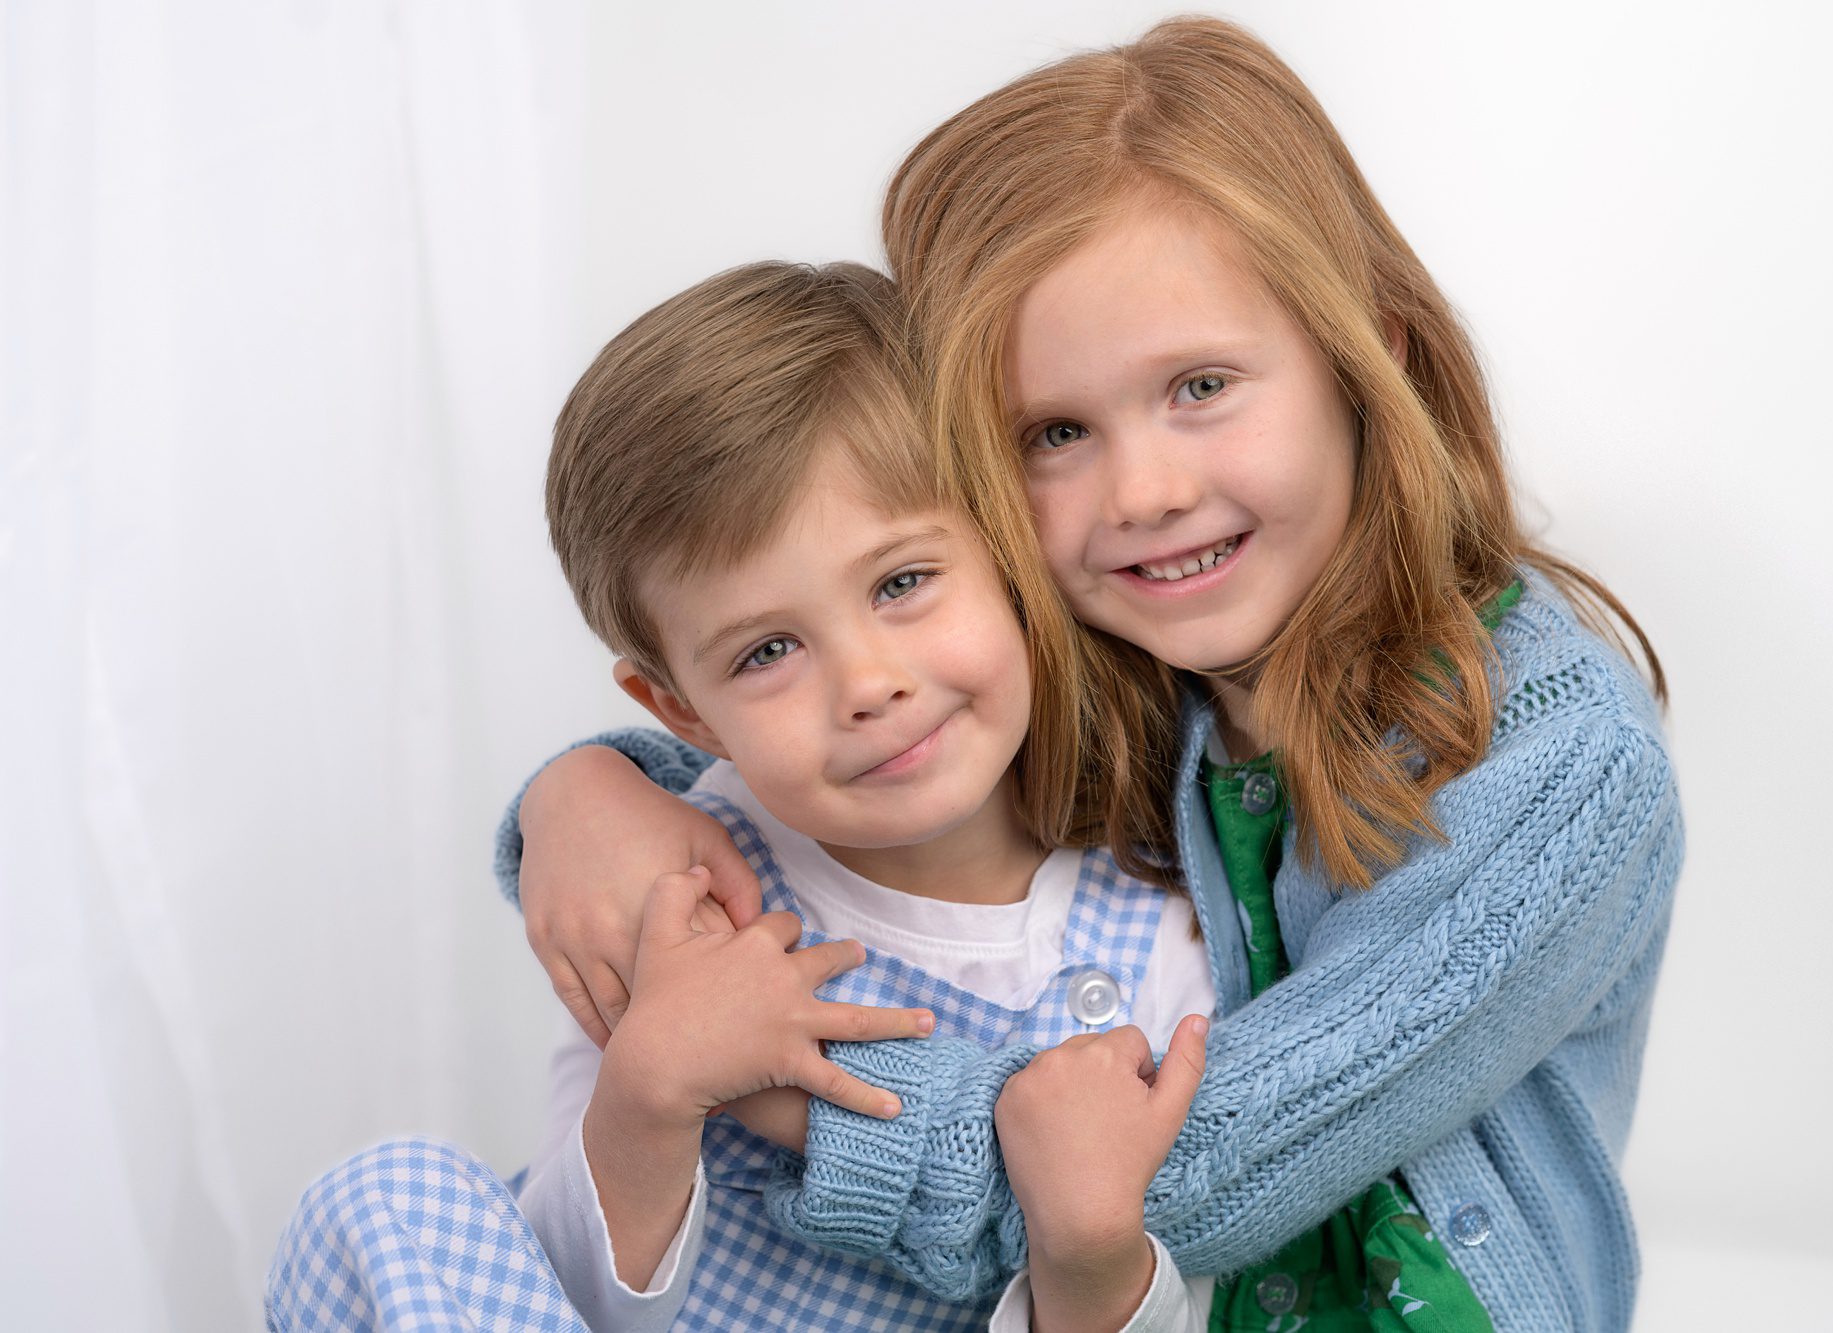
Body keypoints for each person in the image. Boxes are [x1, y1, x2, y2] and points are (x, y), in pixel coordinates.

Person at [507, 16, 1683, 1333]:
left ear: (1371, 354)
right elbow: (844, 748)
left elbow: (1170, 1177)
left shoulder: (1562, 762)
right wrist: (585, 795)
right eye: (1054, 431)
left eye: (1201, 385)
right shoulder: (1136, 660)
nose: (1146, 493)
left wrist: (764, 1084)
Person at [268, 260, 1218, 1333]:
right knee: (387, 1197)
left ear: (1007, 550)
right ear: (682, 712)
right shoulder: (690, 885)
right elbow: (558, 1300)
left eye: (901, 582)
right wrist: (650, 1092)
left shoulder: (1165, 922)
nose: (867, 685)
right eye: (767, 650)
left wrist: (1089, 1259)